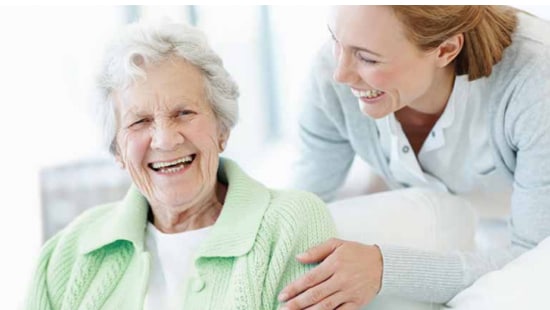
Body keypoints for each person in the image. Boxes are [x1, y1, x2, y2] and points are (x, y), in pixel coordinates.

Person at [25, 21, 336, 310]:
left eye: (184, 112)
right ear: (117, 149)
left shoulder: (291, 223)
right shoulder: (69, 252)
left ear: (222, 129)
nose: (165, 139)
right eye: (140, 121)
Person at [278, 5, 550, 310]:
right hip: (460, 239)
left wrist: (385, 269)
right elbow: (298, 208)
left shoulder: (537, 79)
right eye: (335, 40)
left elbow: (533, 257)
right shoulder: (331, 75)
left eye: (367, 58)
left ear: (445, 50)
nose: (340, 74)